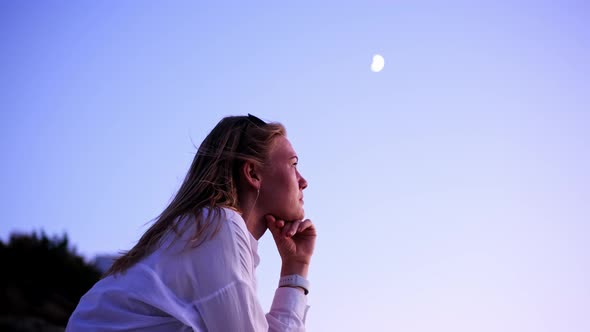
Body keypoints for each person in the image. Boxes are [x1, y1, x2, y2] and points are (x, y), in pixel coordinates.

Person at [66, 114, 316, 331]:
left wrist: (296, 267)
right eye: (293, 164)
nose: (303, 180)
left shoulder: (208, 229)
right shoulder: (218, 226)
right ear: (252, 173)